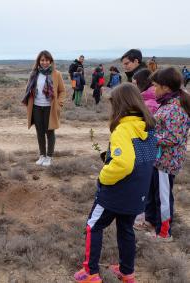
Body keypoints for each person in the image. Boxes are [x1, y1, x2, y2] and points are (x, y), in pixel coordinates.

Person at [74, 83, 157, 283]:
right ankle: (127, 272)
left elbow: (124, 164)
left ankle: (90, 272)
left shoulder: (123, 129)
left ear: (120, 105)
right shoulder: (149, 126)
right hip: (138, 192)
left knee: (93, 226)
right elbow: (145, 158)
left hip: (116, 192)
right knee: (126, 229)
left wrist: (103, 176)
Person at [140, 67, 190, 241]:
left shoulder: (175, 108)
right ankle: (153, 222)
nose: (153, 89)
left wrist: (149, 137)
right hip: (158, 159)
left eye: (156, 86)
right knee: (154, 193)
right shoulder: (167, 103)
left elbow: (173, 137)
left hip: (167, 161)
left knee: (162, 197)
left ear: (166, 87)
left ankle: (164, 233)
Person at [22, 50, 66, 167]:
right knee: (39, 132)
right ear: (39, 61)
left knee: (50, 131)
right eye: (42, 60)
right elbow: (28, 89)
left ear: (50, 61)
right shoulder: (34, 74)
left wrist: (59, 104)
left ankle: (49, 156)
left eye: (47, 60)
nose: (44, 62)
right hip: (36, 107)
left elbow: (62, 91)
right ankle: (42, 155)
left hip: (49, 108)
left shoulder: (56, 74)